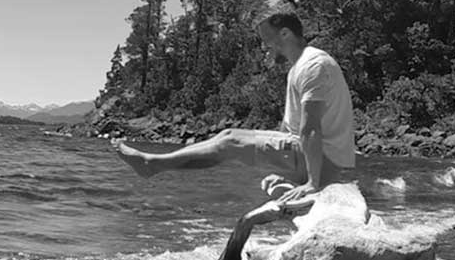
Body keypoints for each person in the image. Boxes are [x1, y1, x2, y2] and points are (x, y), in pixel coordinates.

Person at [114, 11, 355, 203]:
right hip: (313, 156)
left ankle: (152, 165)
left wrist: (312, 184)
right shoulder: (301, 66)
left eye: (266, 39)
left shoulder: (313, 65)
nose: (264, 47)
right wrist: (287, 172)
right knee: (227, 136)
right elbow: (291, 127)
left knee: (231, 143)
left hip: (324, 161)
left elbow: (310, 128)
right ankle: (154, 163)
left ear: (284, 34)